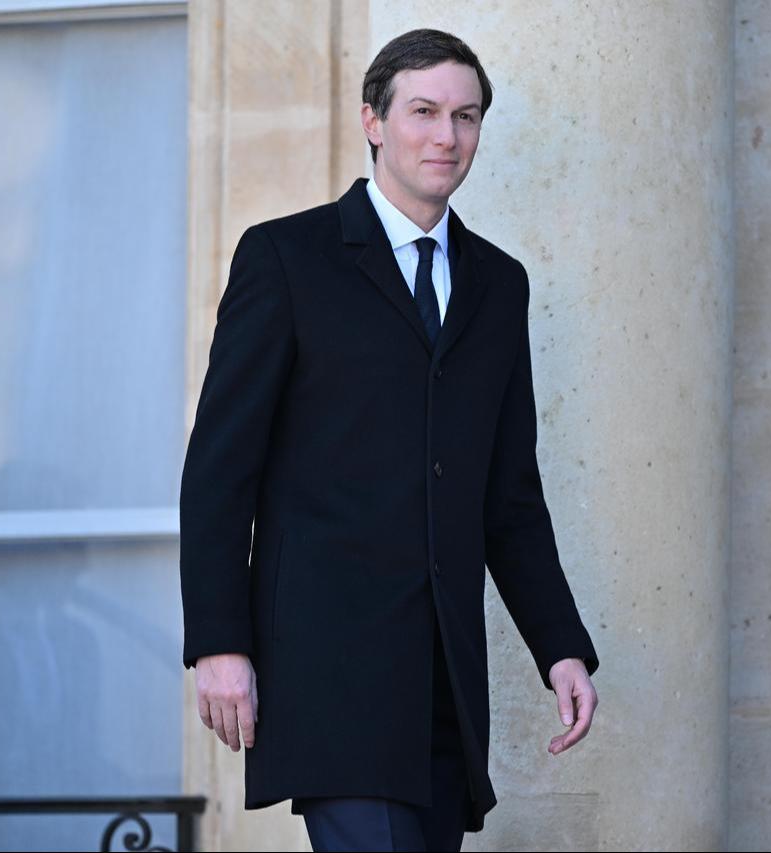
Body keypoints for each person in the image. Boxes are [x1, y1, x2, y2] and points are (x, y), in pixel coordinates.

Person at [180, 28, 598, 852]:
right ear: (374, 120)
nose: (447, 136)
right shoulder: (286, 258)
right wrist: (220, 643)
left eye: (467, 116)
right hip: (329, 672)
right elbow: (220, 470)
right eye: (425, 111)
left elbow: (508, 495)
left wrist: (561, 648)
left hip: (443, 679)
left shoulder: (498, 284)